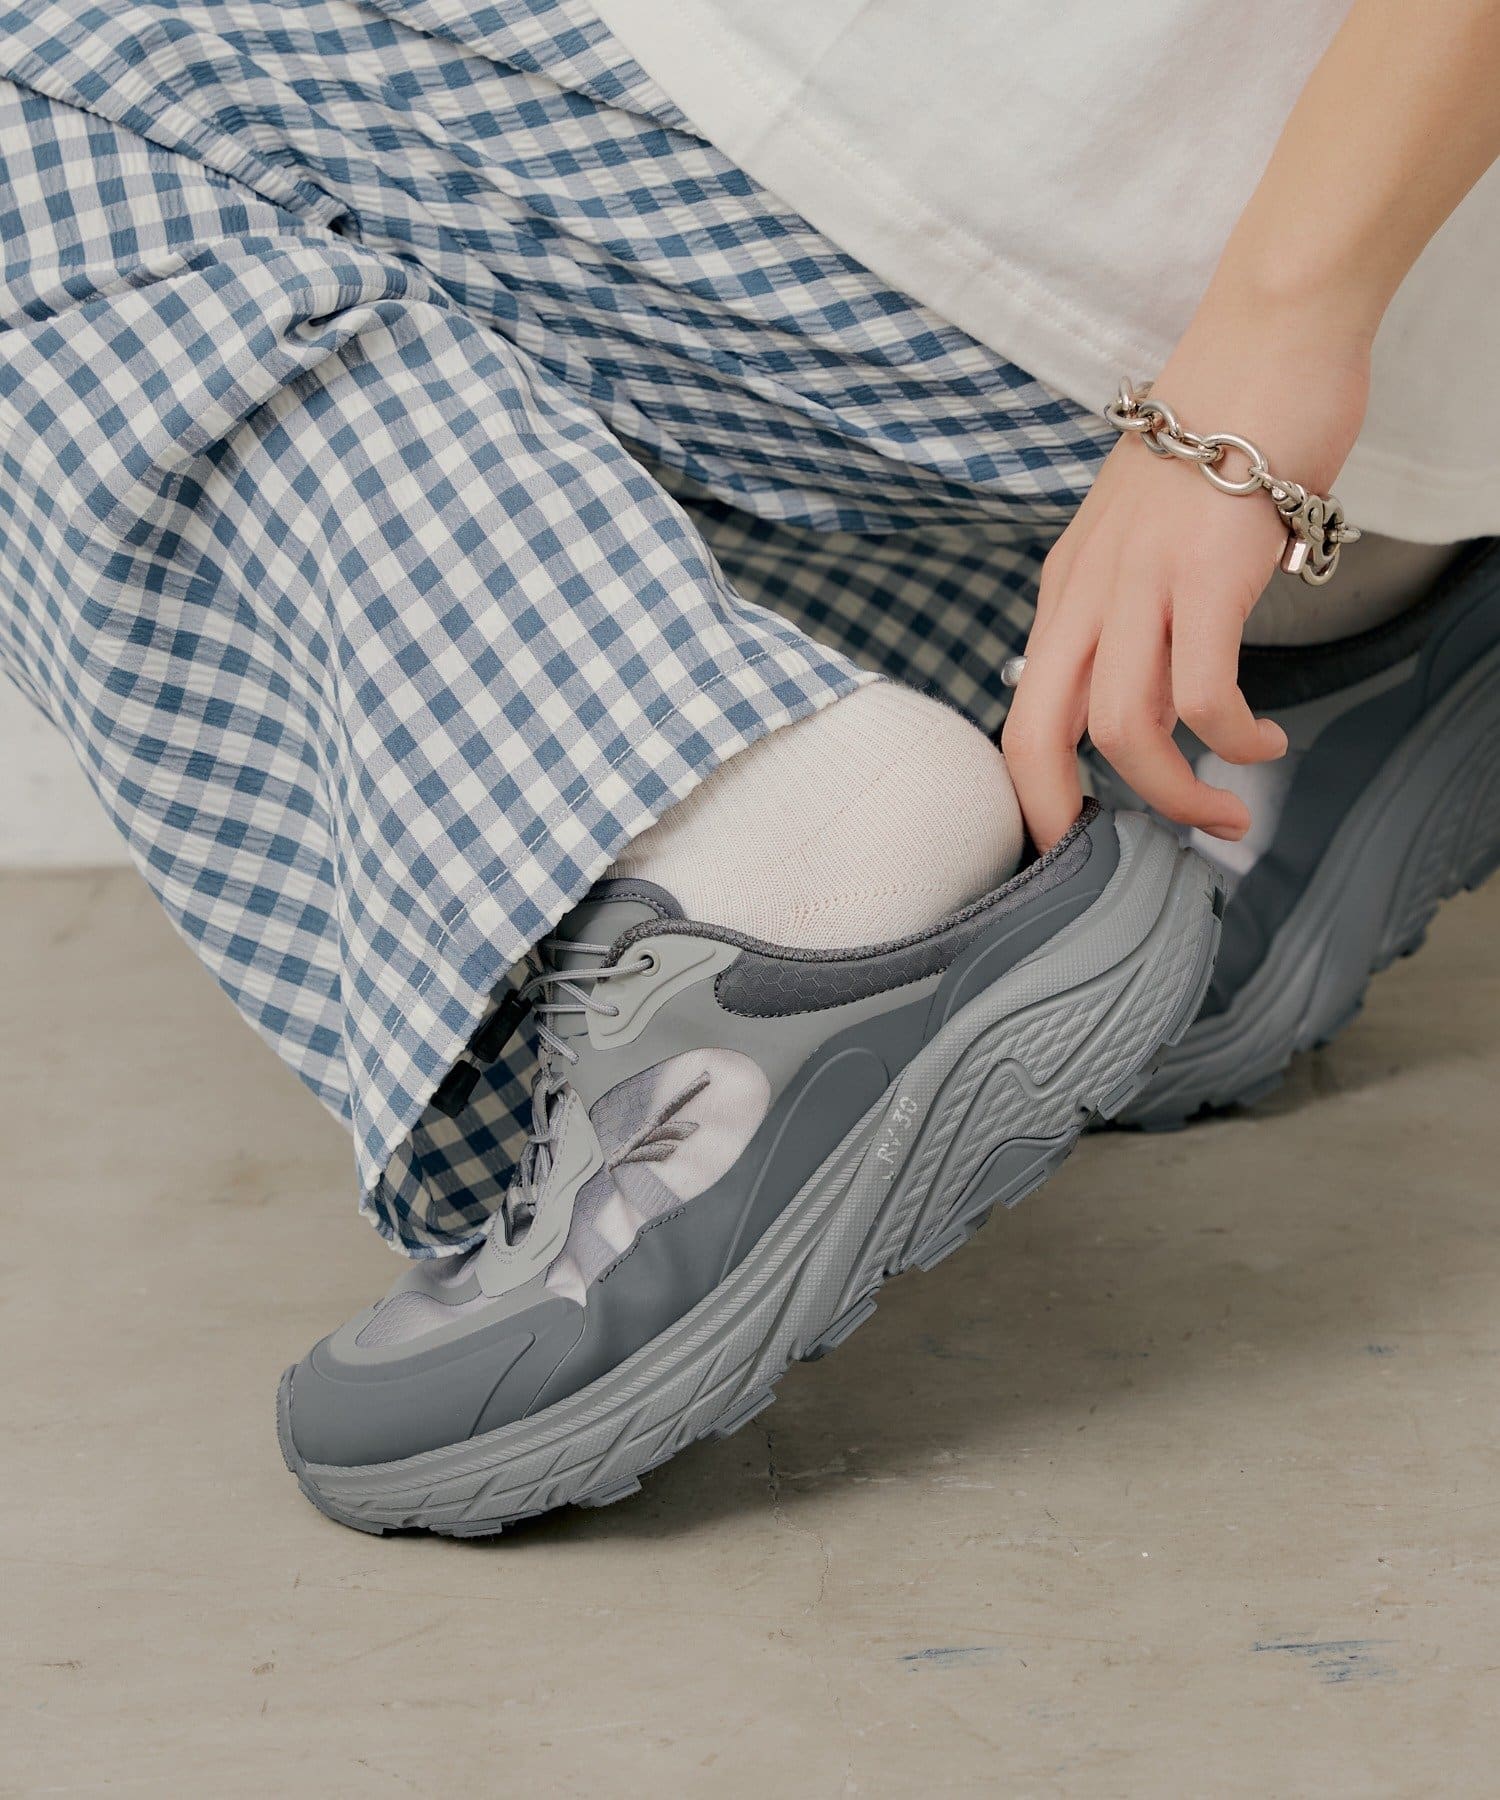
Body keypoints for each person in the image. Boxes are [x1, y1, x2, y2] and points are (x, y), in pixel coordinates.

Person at [0, 0, 1494, 1534]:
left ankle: (779, 871)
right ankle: (1286, 649)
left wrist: (1254, 375)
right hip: (1319, 264)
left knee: (47, 87)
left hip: (1129, 243)